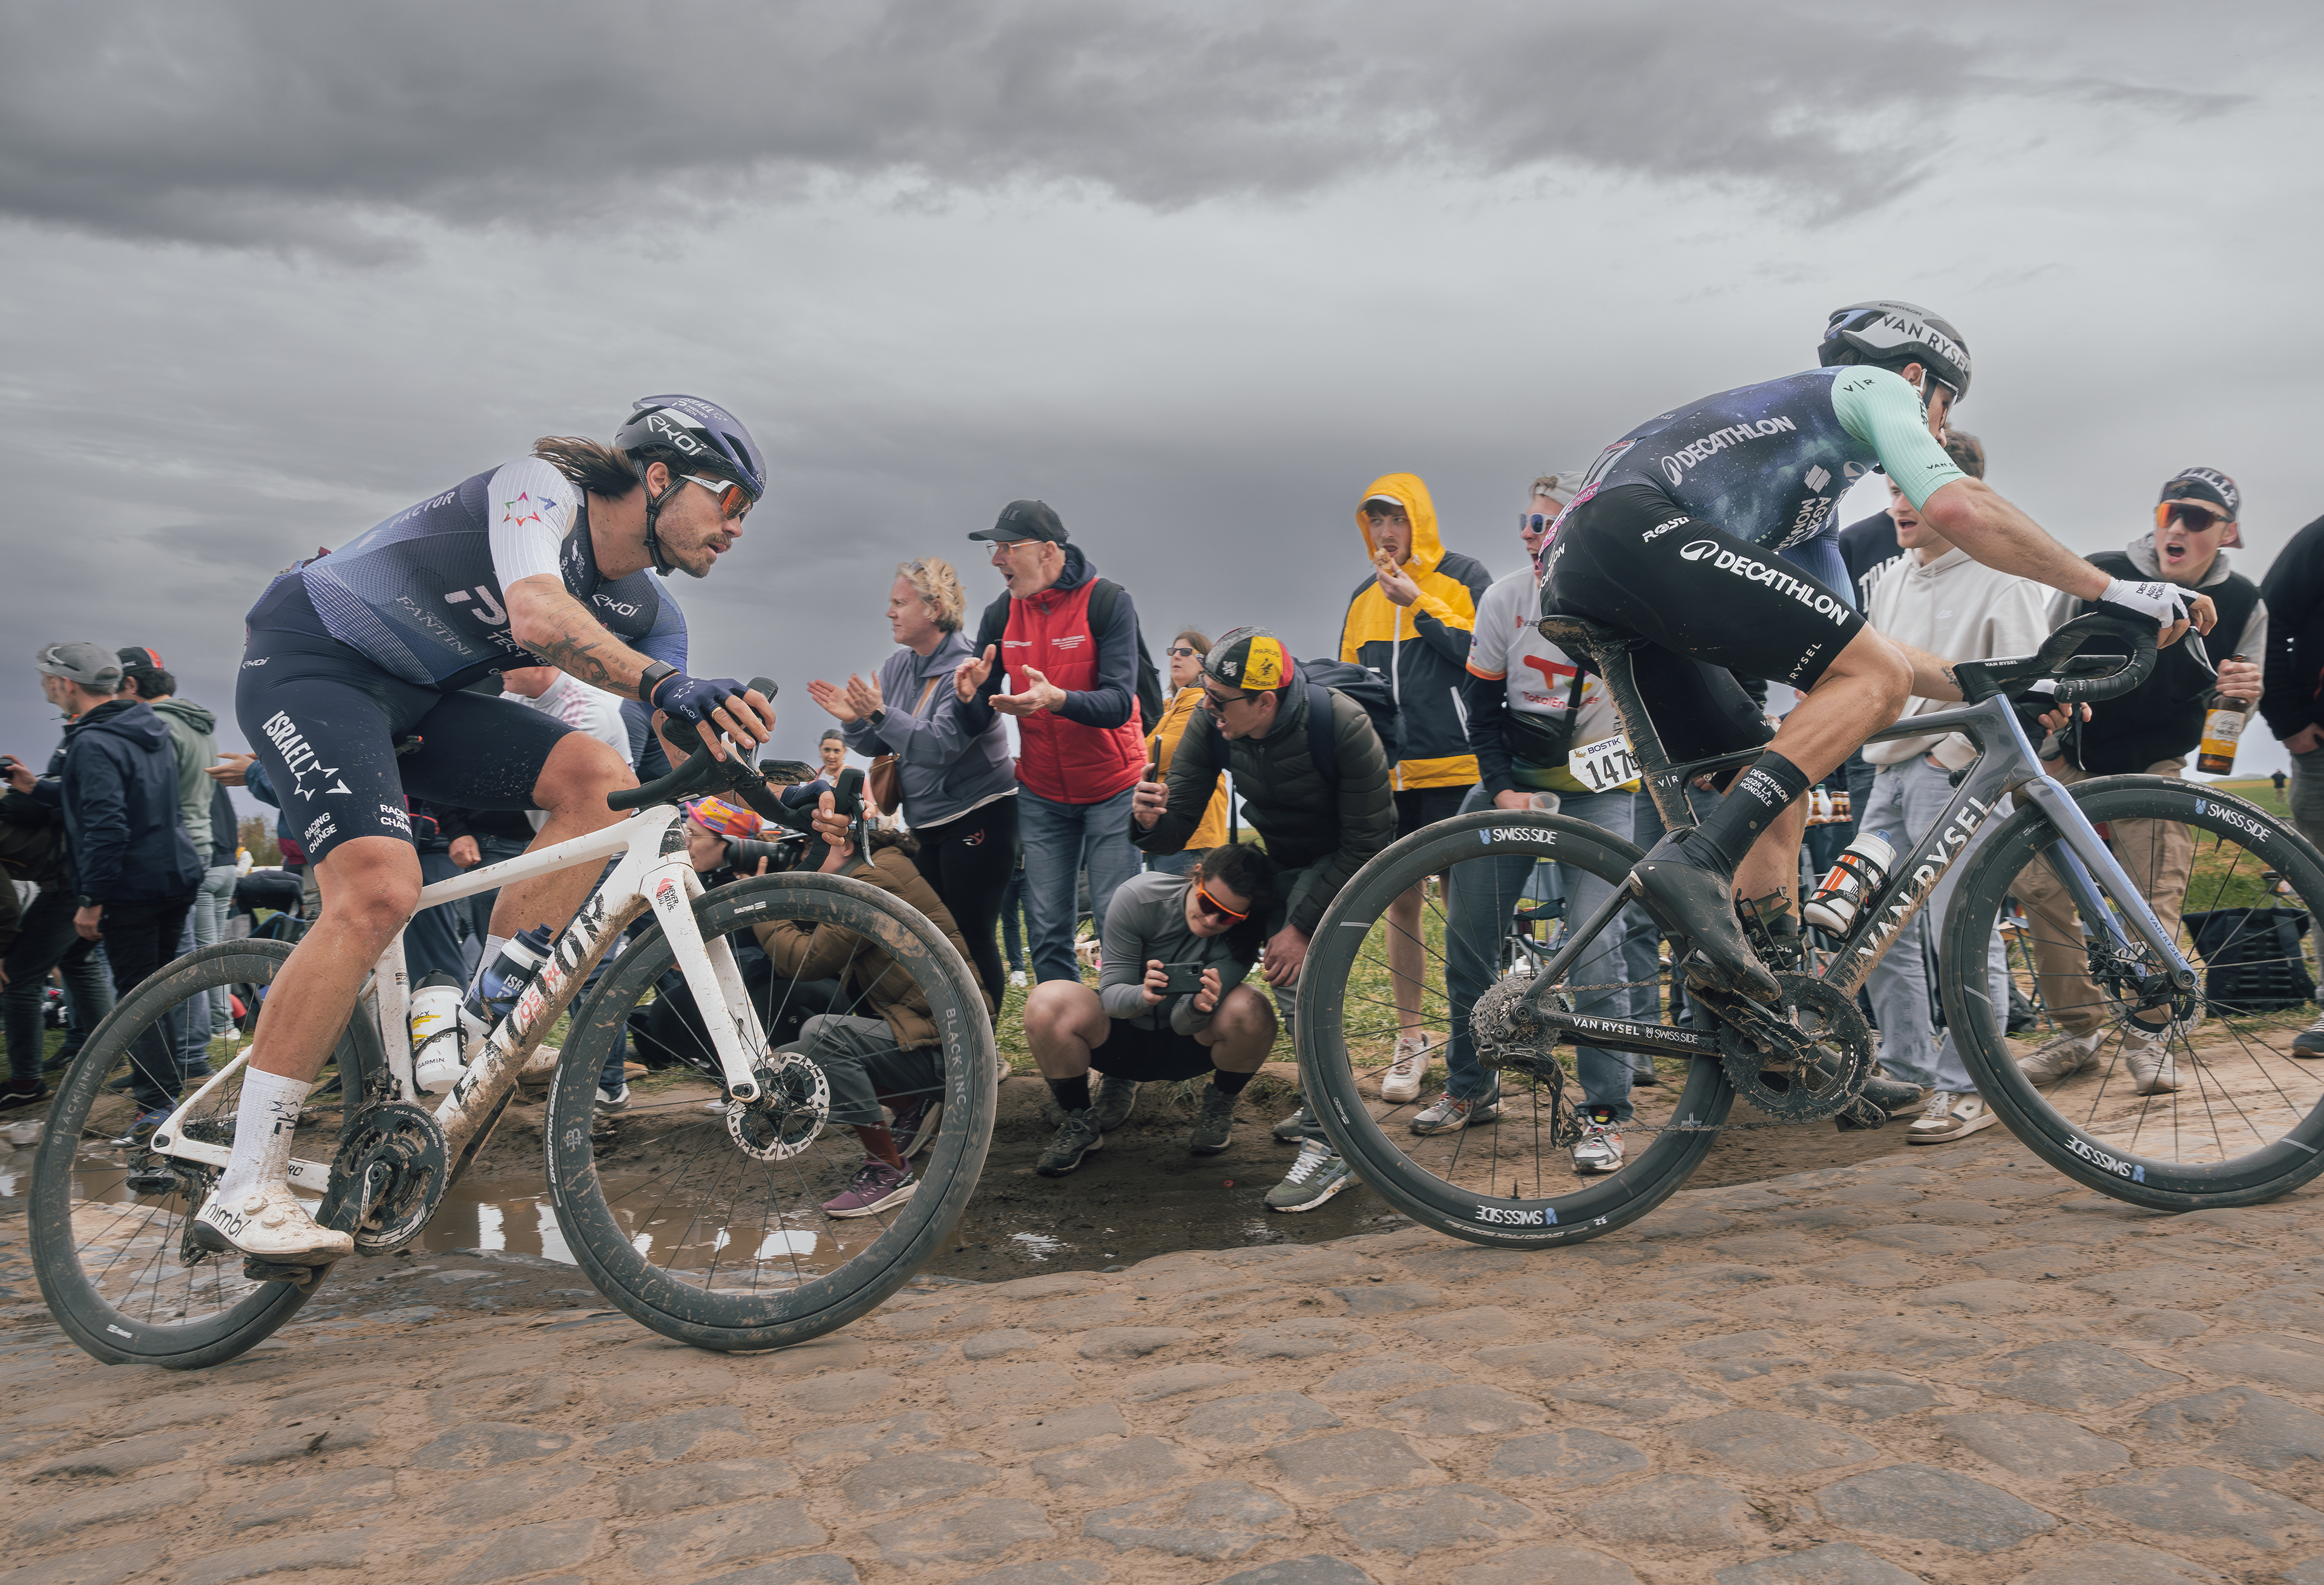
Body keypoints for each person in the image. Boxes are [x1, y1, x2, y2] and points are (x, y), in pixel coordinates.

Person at [192, 395, 777, 1265]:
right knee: (379, 890)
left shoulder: (653, 614)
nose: (737, 527)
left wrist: (765, 794)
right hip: (315, 659)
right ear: (658, 477)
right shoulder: (537, 490)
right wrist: (660, 685)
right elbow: (541, 617)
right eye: (729, 501)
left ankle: (483, 1011)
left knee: (601, 782)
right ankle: (247, 1181)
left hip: (427, 699)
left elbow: (673, 738)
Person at [1541, 300, 2210, 1013]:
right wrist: (2115, 591)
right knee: (1868, 686)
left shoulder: (1806, 502)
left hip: (1590, 572)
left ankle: (1773, 1025)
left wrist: (2000, 683)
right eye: (1946, 406)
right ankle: (1698, 864)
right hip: (1631, 529)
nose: (1942, 428)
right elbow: (1959, 509)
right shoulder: (1875, 387)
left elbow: (1859, 652)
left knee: (1773, 789)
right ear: (1919, 376)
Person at [1131, 629, 1396, 1212]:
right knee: (1233, 944)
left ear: (1265, 702)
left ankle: (1338, 1146)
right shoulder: (1215, 719)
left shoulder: (1342, 725)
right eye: (1205, 691)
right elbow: (1179, 822)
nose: (1207, 706)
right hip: (1281, 853)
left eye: (1220, 699)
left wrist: (1301, 927)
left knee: (1295, 974)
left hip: (1349, 857)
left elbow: (1371, 840)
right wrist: (1150, 819)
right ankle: (1321, 1097)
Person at [2017, 466, 2268, 1081]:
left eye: (2199, 518)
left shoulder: (2242, 603)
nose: (2178, 527)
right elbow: (2041, 661)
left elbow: (2230, 710)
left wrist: (2241, 694)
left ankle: (2148, 1037)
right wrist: (2047, 741)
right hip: (2073, 755)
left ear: (2228, 533)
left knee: (2153, 899)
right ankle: (2078, 1034)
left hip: (2158, 763)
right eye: (2169, 514)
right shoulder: (2100, 572)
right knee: (2039, 889)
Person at [1440, 487, 1653, 1167]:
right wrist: (1501, 789)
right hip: (1516, 785)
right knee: (1469, 940)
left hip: (1601, 790)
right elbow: (1479, 704)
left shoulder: (1627, 595)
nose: (1533, 534)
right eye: (1526, 523)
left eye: (1547, 522)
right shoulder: (1504, 599)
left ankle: (1604, 1114)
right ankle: (1471, 1087)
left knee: (1593, 949)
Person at [1854, 465, 2049, 1143]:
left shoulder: (2004, 577)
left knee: (1959, 931)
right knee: (1875, 928)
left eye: (1910, 491)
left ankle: (1973, 1084)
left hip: (1954, 773)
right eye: (1891, 493)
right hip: (1886, 772)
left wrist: (1953, 757)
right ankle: (1908, 1071)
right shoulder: (1892, 577)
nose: (1899, 506)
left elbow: (2026, 687)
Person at [947, 502, 1151, 996]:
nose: (996, 560)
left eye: (1007, 548)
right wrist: (970, 696)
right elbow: (984, 714)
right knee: (1047, 924)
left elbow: (1121, 702)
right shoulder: (1000, 613)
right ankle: (1067, 1041)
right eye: (994, 548)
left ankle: (1125, 1046)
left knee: (1114, 918)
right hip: (1041, 790)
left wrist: (1057, 699)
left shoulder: (1107, 602)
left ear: (1049, 551)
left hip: (1112, 787)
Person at [757, 799, 997, 1218]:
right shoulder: (875, 867)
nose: (802, 860)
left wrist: (759, 905)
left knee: (820, 1036)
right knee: (794, 1062)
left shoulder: (873, 882)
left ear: (845, 843)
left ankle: (889, 1171)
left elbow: (805, 960)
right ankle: (910, 1103)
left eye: (809, 848)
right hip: (939, 1037)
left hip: (955, 1052)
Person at [5, 643, 204, 1134]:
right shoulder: (145, 726)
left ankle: (157, 1106)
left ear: (65, 683)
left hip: (132, 884)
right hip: (174, 871)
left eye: (46, 679)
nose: (46, 687)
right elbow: (109, 793)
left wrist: (91, 900)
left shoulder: (92, 742)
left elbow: (107, 825)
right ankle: (167, 1086)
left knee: (138, 995)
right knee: (158, 989)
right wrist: (38, 787)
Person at [1339, 474, 1494, 1104]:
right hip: (1391, 779)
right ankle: (1412, 1039)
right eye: (1375, 523)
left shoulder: (1462, 577)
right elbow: (1349, 689)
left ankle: (1475, 1043)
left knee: (1467, 912)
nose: (1384, 535)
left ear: (1418, 522)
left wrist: (1418, 604)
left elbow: (1488, 656)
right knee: (1400, 904)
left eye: (1395, 521)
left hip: (1459, 772)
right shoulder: (1358, 598)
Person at [812, 557, 1017, 1006]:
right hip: (927, 822)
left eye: (899, 603)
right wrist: (854, 722)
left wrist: (879, 713)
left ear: (934, 608)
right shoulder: (898, 666)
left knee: (969, 928)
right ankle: (951, 1038)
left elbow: (939, 744)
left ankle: (985, 1054)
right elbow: (878, 742)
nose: (890, 612)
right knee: (934, 933)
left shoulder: (967, 668)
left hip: (980, 815)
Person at [1024, 844, 1280, 1173]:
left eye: (1229, 916)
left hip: (1188, 1045)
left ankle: (1220, 1104)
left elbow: (1183, 1023)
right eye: (1208, 903)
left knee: (1253, 1007)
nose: (1213, 920)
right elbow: (1113, 998)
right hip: (1121, 1036)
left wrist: (1201, 1008)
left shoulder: (1243, 934)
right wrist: (1143, 996)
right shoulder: (1139, 897)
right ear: (1197, 877)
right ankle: (1079, 1123)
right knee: (1046, 1000)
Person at [1142, 629, 1232, 878]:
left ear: (1205, 662)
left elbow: (1163, 751)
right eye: (1172, 652)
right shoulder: (1169, 707)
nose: (1176, 657)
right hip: (1163, 826)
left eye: (1186, 652)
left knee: (1182, 911)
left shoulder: (1201, 701)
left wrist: (1129, 749)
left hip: (1191, 832)